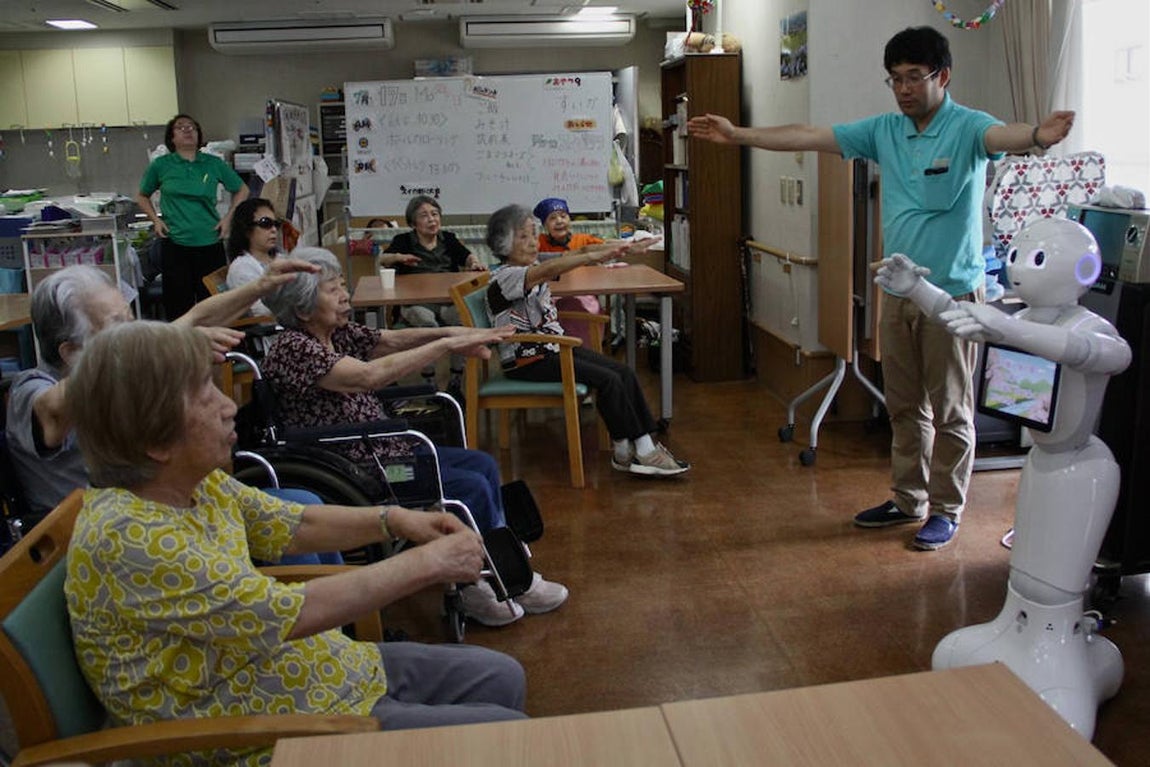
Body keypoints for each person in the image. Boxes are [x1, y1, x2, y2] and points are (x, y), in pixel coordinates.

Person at [63, 321, 528, 767]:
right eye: (205, 395)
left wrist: (396, 520)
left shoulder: (193, 486)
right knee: (506, 736)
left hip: (307, 672)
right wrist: (426, 565)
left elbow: (294, 522)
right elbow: (289, 614)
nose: (229, 406)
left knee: (503, 677)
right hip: (262, 732)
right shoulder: (130, 539)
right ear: (155, 441)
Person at [688, 25, 1074, 550]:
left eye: (914, 77)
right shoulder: (886, 131)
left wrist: (1035, 137)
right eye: (895, 79)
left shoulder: (966, 127)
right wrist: (739, 136)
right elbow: (809, 134)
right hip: (899, 293)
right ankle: (908, 499)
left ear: (943, 76)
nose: (904, 89)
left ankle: (946, 510)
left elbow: (1000, 136)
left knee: (952, 409)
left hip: (954, 300)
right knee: (903, 404)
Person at [260, 246, 569, 626]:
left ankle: (507, 569)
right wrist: (445, 346)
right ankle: (475, 583)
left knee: (482, 465)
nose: (344, 294)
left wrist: (460, 333)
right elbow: (368, 377)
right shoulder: (295, 348)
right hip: (356, 464)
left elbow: (389, 341)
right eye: (332, 289)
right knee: (466, 487)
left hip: (384, 448)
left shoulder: (334, 334)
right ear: (303, 309)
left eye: (342, 284)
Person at [4, 260, 311, 526]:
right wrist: (167, 342)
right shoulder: (31, 391)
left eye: (131, 320)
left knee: (304, 503)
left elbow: (194, 318)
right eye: (118, 328)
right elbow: (56, 408)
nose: (132, 333)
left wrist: (260, 286)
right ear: (71, 352)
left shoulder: (118, 376)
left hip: (165, 509)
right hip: (110, 538)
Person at [484, 204, 690, 478]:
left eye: (534, 234)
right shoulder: (507, 276)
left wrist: (624, 248)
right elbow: (558, 264)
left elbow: (579, 252)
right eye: (524, 237)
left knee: (623, 372)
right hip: (528, 359)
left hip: (553, 349)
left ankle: (628, 450)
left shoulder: (529, 266)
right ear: (503, 244)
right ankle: (642, 451)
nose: (533, 242)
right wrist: (601, 253)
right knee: (609, 379)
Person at [136, 113, 250, 320]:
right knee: (179, 307)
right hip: (175, 243)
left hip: (210, 241)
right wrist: (155, 219)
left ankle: (214, 349)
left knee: (214, 305)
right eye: (181, 127)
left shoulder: (213, 164)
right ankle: (182, 350)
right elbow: (142, 195)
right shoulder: (161, 165)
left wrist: (228, 218)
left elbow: (242, 190)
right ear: (172, 138)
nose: (188, 130)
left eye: (192, 127)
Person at [383, 195, 487, 389]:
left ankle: (456, 379)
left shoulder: (448, 238)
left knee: (462, 321)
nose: (432, 219)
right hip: (416, 302)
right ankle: (428, 380)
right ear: (413, 222)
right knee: (426, 322)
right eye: (424, 215)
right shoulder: (403, 240)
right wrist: (399, 257)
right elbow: (384, 259)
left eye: (435, 214)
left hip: (447, 301)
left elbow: (466, 255)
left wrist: (473, 262)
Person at [533, 197, 609, 350]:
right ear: (544, 225)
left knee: (590, 309)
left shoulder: (583, 240)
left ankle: (589, 349)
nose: (559, 221)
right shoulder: (538, 243)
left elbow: (605, 249)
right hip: (551, 295)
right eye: (552, 218)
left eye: (563, 216)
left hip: (583, 293)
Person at [225, 197, 281, 316]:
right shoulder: (242, 268)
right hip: (270, 328)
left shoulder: (278, 257)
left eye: (276, 224)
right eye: (266, 223)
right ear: (246, 229)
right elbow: (259, 311)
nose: (274, 230)